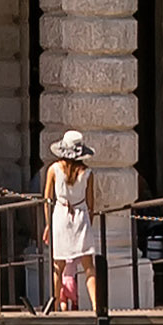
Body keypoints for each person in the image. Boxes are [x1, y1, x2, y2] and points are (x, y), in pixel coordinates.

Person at [41, 128, 106, 313]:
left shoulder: (53, 170)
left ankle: (54, 305)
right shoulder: (87, 173)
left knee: (58, 266)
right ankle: (95, 306)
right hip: (80, 215)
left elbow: (47, 200)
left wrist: (48, 225)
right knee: (89, 267)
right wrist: (88, 223)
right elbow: (91, 203)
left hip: (60, 215)